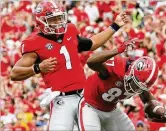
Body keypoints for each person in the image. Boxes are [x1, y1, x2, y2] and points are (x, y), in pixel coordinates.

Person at [10, 1, 130, 130]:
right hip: (63, 99)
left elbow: (92, 43)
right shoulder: (34, 43)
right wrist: (37, 68)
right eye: (53, 19)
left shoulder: (70, 31)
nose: (58, 23)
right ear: (41, 21)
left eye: (59, 18)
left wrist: (115, 26)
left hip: (86, 95)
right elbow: (14, 73)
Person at [78, 39, 166, 131]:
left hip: (111, 109)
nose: (134, 88)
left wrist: (162, 112)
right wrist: (117, 50)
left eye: (139, 87)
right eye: (135, 83)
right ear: (131, 70)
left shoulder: (139, 82)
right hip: (90, 106)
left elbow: (147, 100)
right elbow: (91, 62)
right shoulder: (117, 67)